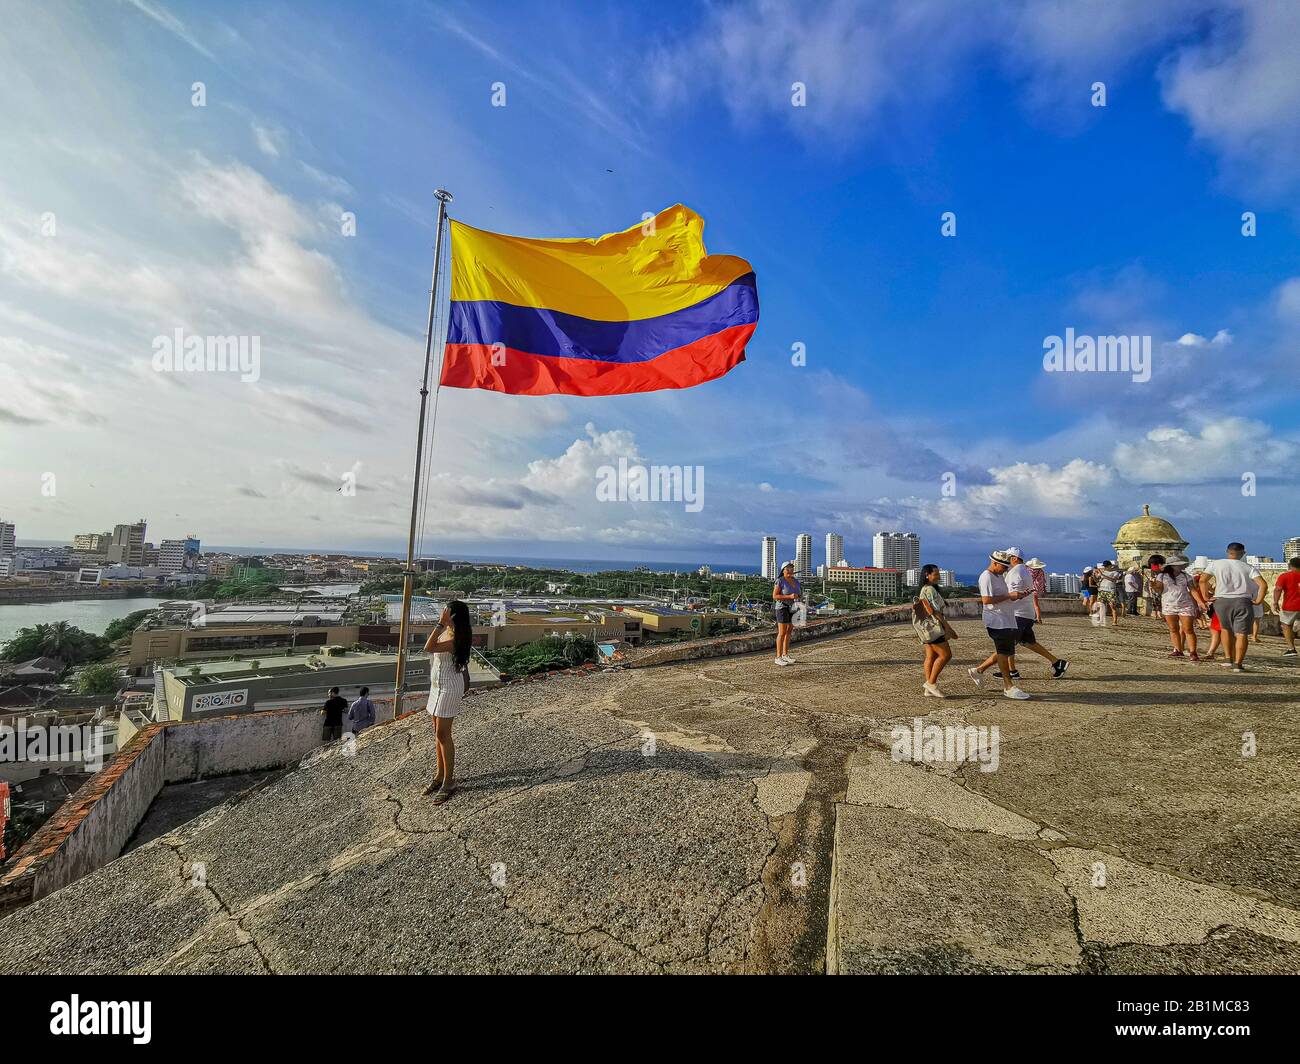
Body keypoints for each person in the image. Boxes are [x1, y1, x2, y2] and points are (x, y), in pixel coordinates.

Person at [422, 599, 473, 803]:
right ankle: (439, 775)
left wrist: (440, 624)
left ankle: (449, 781)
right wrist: (442, 625)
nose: (443, 613)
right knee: (437, 734)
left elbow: (428, 647)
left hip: (449, 687)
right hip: (437, 685)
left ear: (453, 616)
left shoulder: (455, 637)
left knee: (443, 734)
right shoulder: (448, 631)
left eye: (446, 611)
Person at [996, 547, 1068, 680]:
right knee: (1028, 642)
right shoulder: (1023, 571)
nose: (1005, 560)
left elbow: (1013, 594)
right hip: (1025, 613)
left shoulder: (1016, 572)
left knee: (1006, 645)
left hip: (1018, 614)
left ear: (1015, 558)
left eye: (1008, 557)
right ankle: (1056, 663)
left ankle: (981, 669)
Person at [969, 550, 1031, 700]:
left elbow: (1003, 597)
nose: (1006, 569)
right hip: (996, 620)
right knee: (1003, 652)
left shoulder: (998, 576)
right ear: (995, 563)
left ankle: (978, 670)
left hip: (1006, 619)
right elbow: (986, 600)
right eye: (1003, 567)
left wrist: (1017, 595)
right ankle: (1008, 686)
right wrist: (1009, 596)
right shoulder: (987, 577)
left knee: (1006, 650)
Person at [1199, 543, 1267, 673]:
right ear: (1243, 553)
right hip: (1242, 601)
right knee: (1242, 634)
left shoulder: (1216, 564)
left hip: (1222, 601)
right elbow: (1263, 585)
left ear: (1227, 551)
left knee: (1225, 630)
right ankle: (1238, 664)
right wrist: (1258, 600)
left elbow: (1203, 580)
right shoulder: (1248, 567)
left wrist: (1205, 597)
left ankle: (1228, 659)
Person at [914, 564, 957, 697]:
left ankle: (929, 687)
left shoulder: (924, 589)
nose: (938, 576)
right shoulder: (930, 590)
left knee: (931, 656)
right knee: (945, 655)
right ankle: (931, 683)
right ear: (927, 574)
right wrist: (948, 627)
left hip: (926, 627)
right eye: (936, 574)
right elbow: (935, 611)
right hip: (934, 627)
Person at [1151, 554, 1198, 660]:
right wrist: (1153, 585)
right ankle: (1177, 650)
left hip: (1185, 605)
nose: (1181, 566)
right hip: (1169, 605)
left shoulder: (1186, 576)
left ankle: (1193, 652)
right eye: (1178, 565)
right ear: (1172, 566)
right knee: (1173, 629)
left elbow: (1193, 589)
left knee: (1188, 629)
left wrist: (1200, 602)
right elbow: (1159, 589)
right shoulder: (1162, 576)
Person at [772, 561, 802, 666]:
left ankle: (785, 654)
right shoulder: (780, 581)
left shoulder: (796, 581)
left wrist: (797, 597)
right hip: (782, 608)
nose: (790, 570)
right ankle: (778, 657)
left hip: (793, 607)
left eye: (792, 568)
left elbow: (799, 594)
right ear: (783, 570)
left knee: (789, 631)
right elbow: (775, 596)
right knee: (782, 632)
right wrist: (789, 597)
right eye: (788, 568)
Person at [1271, 556, 1300, 657]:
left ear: (1291, 565)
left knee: (1286, 625)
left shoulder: (1285, 576)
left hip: (1291, 606)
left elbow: (1278, 589)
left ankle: (1291, 648)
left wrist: (1275, 602)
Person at [1096, 560, 1124, 625]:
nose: (1105, 567)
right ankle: (1101, 620)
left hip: (1110, 591)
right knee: (1101, 606)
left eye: (1106, 566)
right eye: (1104, 566)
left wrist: (1102, 574)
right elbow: (1097, 580)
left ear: (1110, 566)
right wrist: (1095, 575)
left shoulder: (1115, 572)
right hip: (1102, 590)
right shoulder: (1103, 571)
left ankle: (1115, 621)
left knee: (1113, 606)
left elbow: (1113, 580)